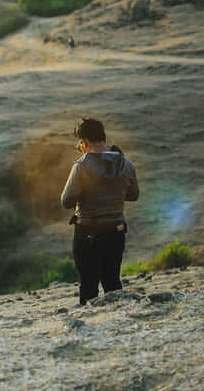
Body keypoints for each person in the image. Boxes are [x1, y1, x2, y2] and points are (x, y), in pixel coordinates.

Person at [61, 117, 140, 305]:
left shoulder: (81, 166)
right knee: (113, 282)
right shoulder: (125, 163)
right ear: (104, 137)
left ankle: (92, 329)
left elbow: (66, 201)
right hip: (115, 232)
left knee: (89, 286)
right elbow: (133, 195)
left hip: (87, 234)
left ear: (84, 142)